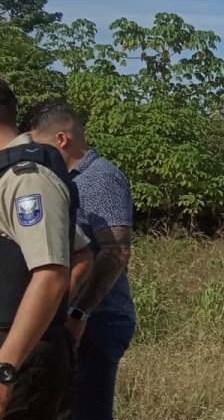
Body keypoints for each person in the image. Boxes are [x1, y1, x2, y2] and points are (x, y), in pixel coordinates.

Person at [27, 100, 136, 420]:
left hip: (99, 319)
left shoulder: (100, 178)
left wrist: (79, 313)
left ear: (62, 139)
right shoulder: (63, 181)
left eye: (43, 148)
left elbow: (116, 251)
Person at [0, 79, 85, 419]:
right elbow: (80, 252)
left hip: (17, 357)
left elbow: (51, 274)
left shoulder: (27, 176)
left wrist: (6, 370)